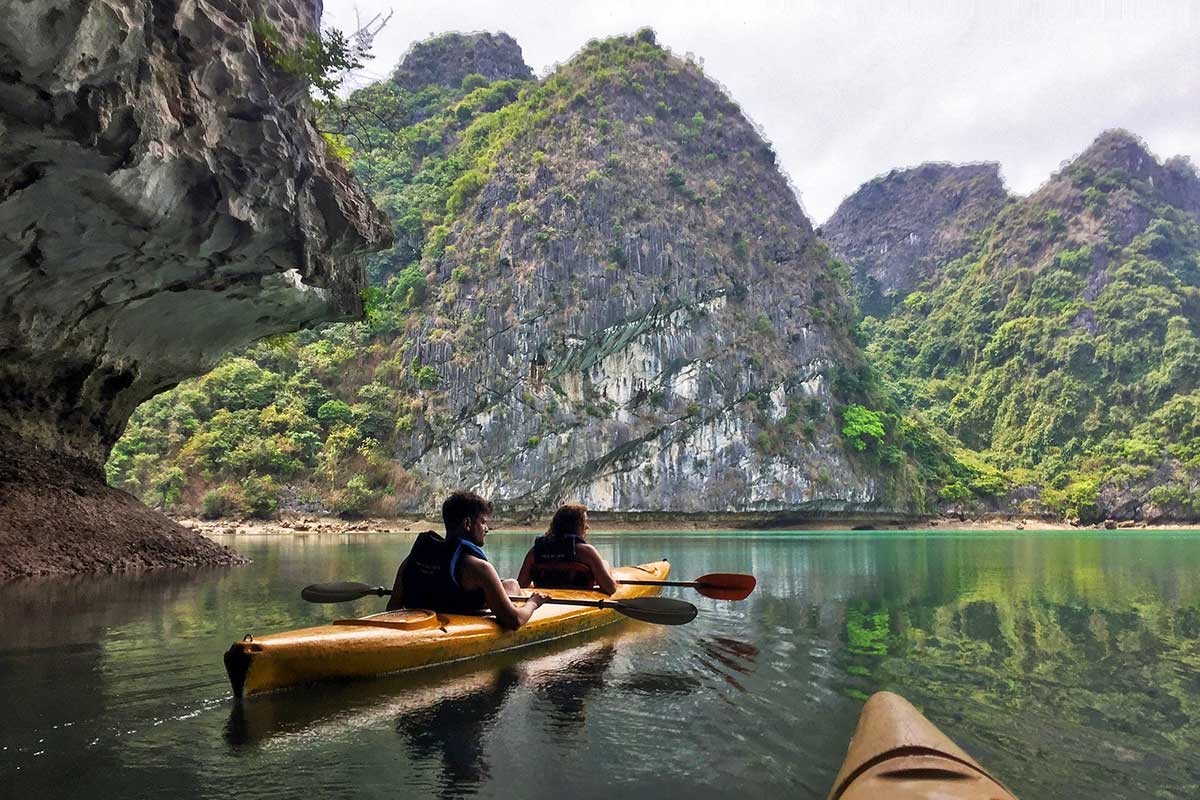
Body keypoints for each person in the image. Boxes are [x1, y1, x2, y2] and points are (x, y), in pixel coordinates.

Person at [387, 490, 546, 630]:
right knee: (512, 586)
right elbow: (514, 620)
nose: (486, 528)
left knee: (512, 584)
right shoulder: (479, 568)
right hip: (459, 624)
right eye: (483, 522)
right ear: (468, 524)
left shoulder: (412, 560)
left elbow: (392, 609)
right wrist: (533, 603)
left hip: (422, 624)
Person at [517, 504, 618, 594]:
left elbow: (520, 585)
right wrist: (607, 570)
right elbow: (610, 588)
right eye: (584, 522)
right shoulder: (586, 552)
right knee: (604, 563)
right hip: (578, 602)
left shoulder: (535, 552)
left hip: (544, 602)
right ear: (575, 525)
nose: (587, 527)